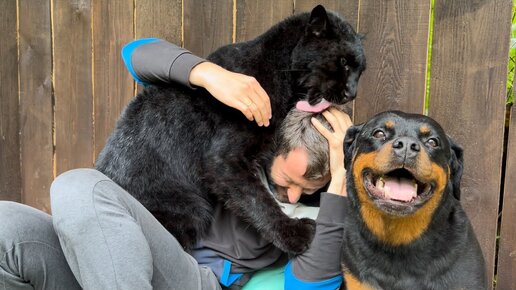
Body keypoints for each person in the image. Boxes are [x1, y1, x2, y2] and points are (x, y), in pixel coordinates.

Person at [0, 39, 352, 290]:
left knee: (78, 186)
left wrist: (339, 181)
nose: (292, 198)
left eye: (309, 189)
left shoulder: (318, 213)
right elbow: (136, 53)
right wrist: (210, 74)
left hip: (190, 277)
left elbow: (311, 285)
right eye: (285, 182)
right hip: (115, 263)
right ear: (268, 146)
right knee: (6, 224)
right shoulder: (233, 152)